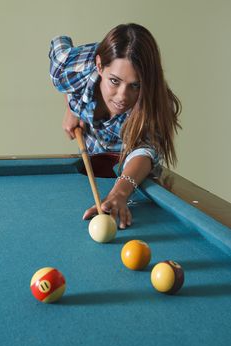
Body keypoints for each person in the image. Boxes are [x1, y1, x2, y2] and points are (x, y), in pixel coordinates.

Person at [49, 23, 181, 229]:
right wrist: (72, 107)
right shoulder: (68, 68)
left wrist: (120, 192)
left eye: (135, 85)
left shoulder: (155, 103)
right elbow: (59, 40)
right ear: (100, 66)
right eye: (114, 81)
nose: (122, 97)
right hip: (93, 163)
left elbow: (144, 151)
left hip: (132, 173)